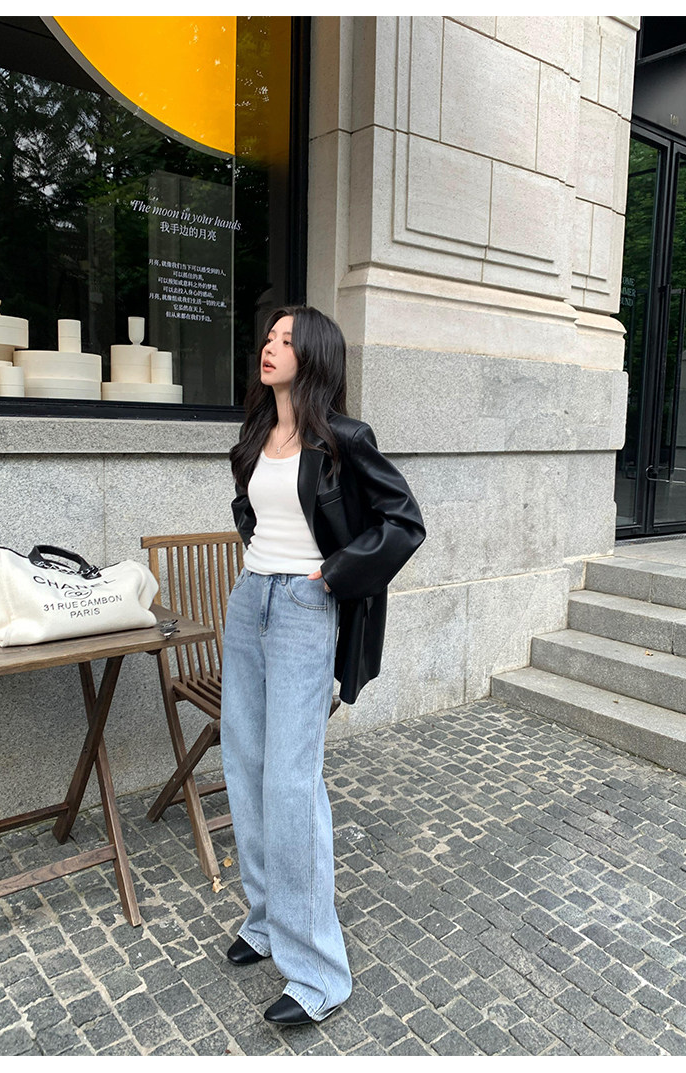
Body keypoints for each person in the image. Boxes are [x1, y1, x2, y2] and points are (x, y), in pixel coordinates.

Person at [221, 305, 425, 1026]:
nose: (270, 347)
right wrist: (261, 567)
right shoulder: (257, 433)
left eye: (286, 339)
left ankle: (318, 974)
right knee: (245, 765)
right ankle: (266, 919)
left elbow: (404, 521)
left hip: (305, 608)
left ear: (313, 355)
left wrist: (331, 574)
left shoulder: (343, 438)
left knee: (290, 782)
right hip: (249, 601)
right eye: (268, 337)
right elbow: (251, 510)